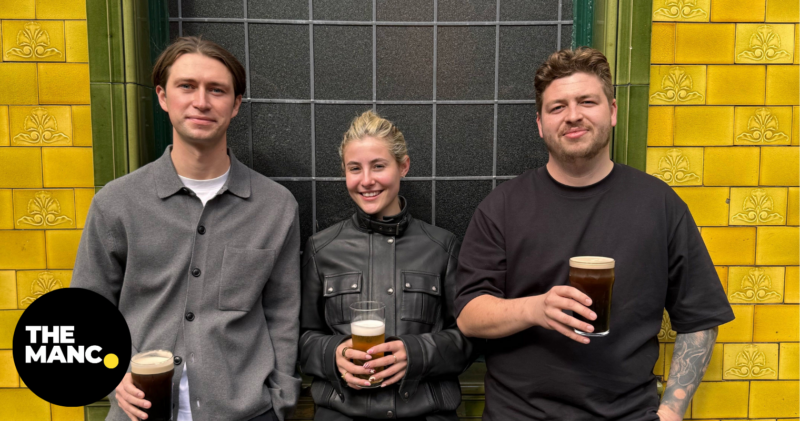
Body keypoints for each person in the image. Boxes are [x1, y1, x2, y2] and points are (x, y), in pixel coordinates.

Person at [454, 47, 734, 421]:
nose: (573, 115)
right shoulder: (502, 206)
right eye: (557, 107)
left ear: (613, 111)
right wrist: (535, 308)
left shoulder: (659, 204)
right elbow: (469, 315)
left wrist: (672, 410)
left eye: (587, 101)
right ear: (540, 124)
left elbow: (700, 317)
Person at [72, 36, 301, 421]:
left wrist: (281, 399)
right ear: (163, 97)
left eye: (217, 90)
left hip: (247, 413)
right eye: (187, 86)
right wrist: (111, 373)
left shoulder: (276, 207)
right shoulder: (116, 203)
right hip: (139, 414)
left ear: (236, 104)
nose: (201, 101)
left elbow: (283, 313)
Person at [299, 111, 478, 421]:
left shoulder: (442, 247)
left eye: (379, 166)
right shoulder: (321, 248)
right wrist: (333, 354)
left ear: (403, 166)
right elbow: (301, 338)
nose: (366, 180)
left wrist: (417, 354)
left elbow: (470, 338)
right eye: (355, 168)